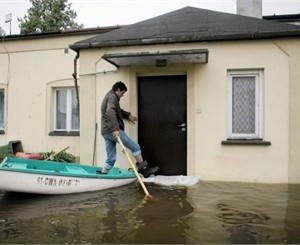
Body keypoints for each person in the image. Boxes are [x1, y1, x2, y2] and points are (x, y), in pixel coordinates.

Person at [100, 81, 159, 178]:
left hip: (105, 131)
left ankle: (104, 173)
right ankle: (145, 170)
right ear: (118, 90)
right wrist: (115, 129)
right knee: (135, 147)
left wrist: (128, 116)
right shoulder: (112, 97)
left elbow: (118, 111)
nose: (122, 95)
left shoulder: (110, 96)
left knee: (111, 157)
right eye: (122, 93)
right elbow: (110, 111)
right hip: (112, 130)